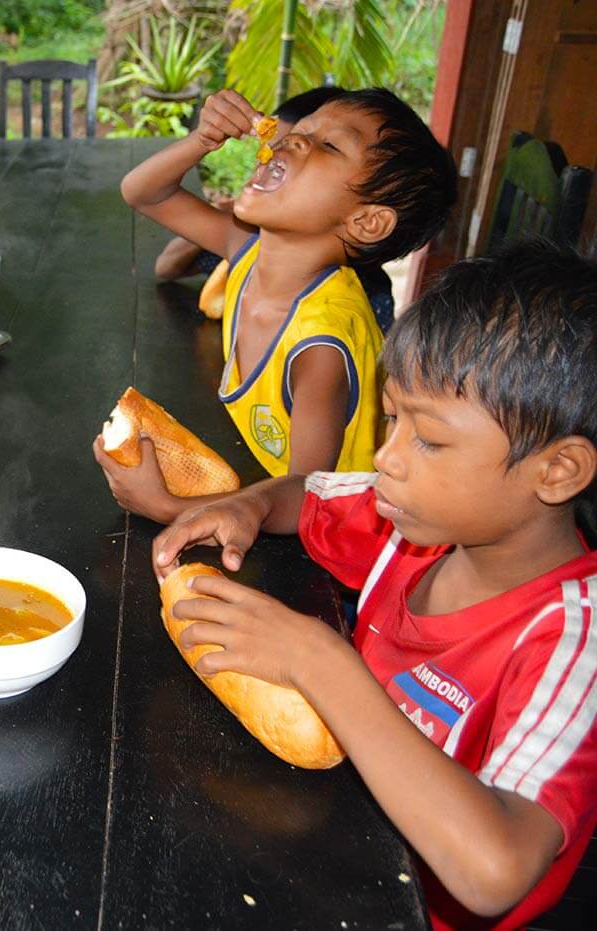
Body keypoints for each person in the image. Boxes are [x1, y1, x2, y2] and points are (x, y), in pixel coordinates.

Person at [152, 240, 597, 931]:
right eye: (393, 419)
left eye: (430, 440)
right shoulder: (416, 523)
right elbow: (305, 493)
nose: (386, 458)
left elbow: (493, 872)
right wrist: (245, 505)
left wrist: (320, 660)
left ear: (559, 470)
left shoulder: (571, 641)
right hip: (335, 841)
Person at [98, 87, 456, 523]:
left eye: (329, 144)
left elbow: (309, 497)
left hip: (327, 552)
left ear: (366, 221)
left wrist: (168, 507)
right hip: (254, 480)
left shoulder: (320, 348)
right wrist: (203, 139)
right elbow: (143, 193)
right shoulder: (247, 250)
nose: (293, 139)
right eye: (301, 131)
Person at [153, 87, 397, 333]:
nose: (277, 154)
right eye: (273, 146)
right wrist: (221, 206)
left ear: (365, 220)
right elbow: (166, 266)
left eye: (330, 145)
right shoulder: (250, 241)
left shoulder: (357, 305)